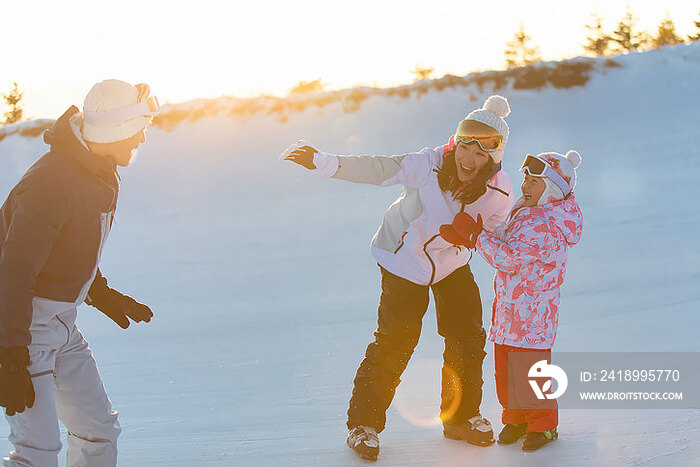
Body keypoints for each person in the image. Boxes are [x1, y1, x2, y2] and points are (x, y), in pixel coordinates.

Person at [281, 95, 515, 461]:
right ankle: (364, 425)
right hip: (403, 259)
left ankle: (461, 419)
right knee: (397, 340)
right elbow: (379, 168)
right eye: (463, 148)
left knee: (467, 337)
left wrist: (473, 236)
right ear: (455, 144)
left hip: (452, 263)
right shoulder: (427, 164)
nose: (468, 159)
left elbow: (501, 235)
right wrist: (324, 162)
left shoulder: (500, 191)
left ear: (494, 158)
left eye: (480, 154)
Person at [0, 79, 159, 466]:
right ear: (117, 128)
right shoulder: (51, 183)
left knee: (99, 431)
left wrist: (99, 291)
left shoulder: (99, 170)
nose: (140, 140)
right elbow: (15, 271)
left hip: (63, 325)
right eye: (138, 129)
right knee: (37, 452)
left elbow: (73, 244)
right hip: (23, 327)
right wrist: (10, 354)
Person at [441, 150, 583, 452]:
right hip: (510, 312)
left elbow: (509, 258)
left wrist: (476, 238)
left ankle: (544, 426)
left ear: (553, 190)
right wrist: (481, 232)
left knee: (531, 375)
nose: (525, 186)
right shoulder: (527, 212)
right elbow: (506, 238)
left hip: (533, 318)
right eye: (526, 179)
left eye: (534, 181)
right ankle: (518, 418)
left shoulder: (545, 226)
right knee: (506, 373)